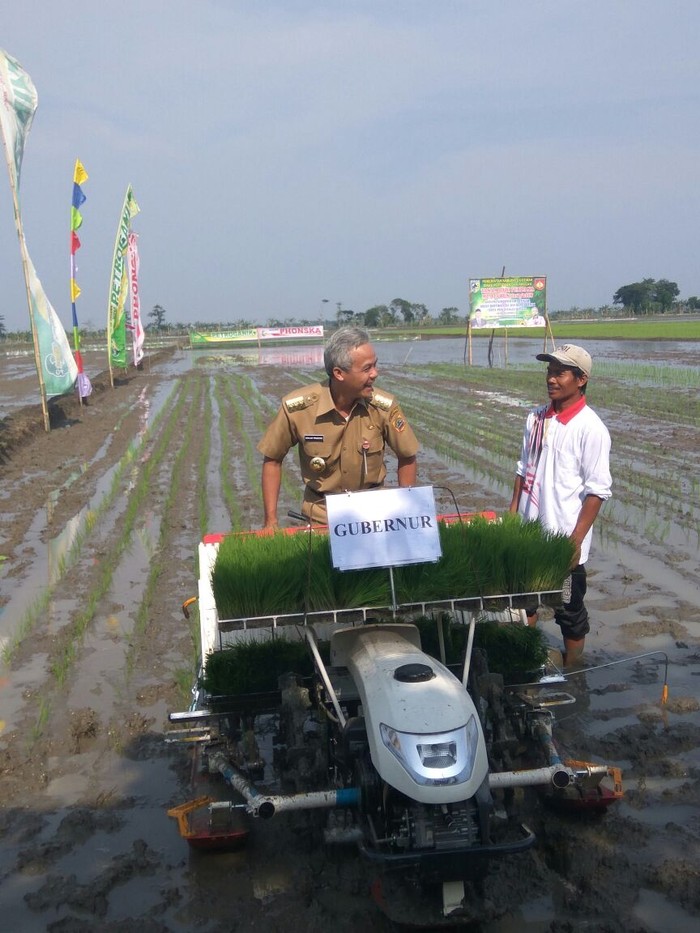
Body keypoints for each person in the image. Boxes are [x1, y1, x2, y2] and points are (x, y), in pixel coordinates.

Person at [509, 344, 611, 667]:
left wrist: (575, 541)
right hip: (530, 533)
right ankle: (526, 656)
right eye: (549, 372)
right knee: (524, 602)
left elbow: (597, 491)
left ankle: (573, 669)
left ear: (581, 379)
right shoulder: (535, 418)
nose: (551, 379)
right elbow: (523, 470)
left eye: (560, 373)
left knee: (569, 611)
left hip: (563, 538)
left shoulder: (590, 428)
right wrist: (513, 516)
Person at [257, 326, 419, 528]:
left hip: (375, 516)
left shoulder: (383, 407)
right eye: (367, 368)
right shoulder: (298, 409)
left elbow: (407, 455)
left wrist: (408, 514)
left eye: (375, 366)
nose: (375, 374)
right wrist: (270, 522)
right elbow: (272, 459)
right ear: (339, 373)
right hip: (321, 518)